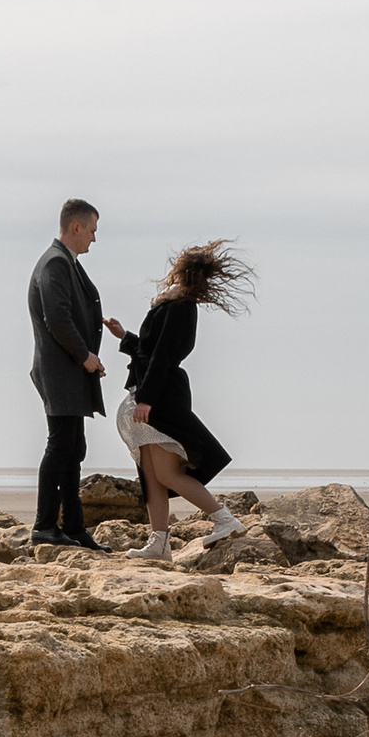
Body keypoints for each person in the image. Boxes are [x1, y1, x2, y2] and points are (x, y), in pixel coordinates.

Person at [117, 240, 252, 562]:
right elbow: (152, 352)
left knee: (166, 474)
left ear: (182, 270)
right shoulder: (172, 304)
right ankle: (159, 543)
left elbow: (163, 356)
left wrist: (146, 399)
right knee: (151, 476)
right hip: (156, 391)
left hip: (162, 397)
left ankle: (224, 519)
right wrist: (125, 338)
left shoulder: (180, 307)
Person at [26, 199, 124, 554]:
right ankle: (44, 525)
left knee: (73, 448)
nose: (94, 239)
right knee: (60, 445)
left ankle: (73, 527)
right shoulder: (54, 263)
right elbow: (58, 318)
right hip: (61, 371)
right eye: (93, 230)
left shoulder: (65, 263)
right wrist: (86, 357)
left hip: (68, 372)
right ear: (76, 227)